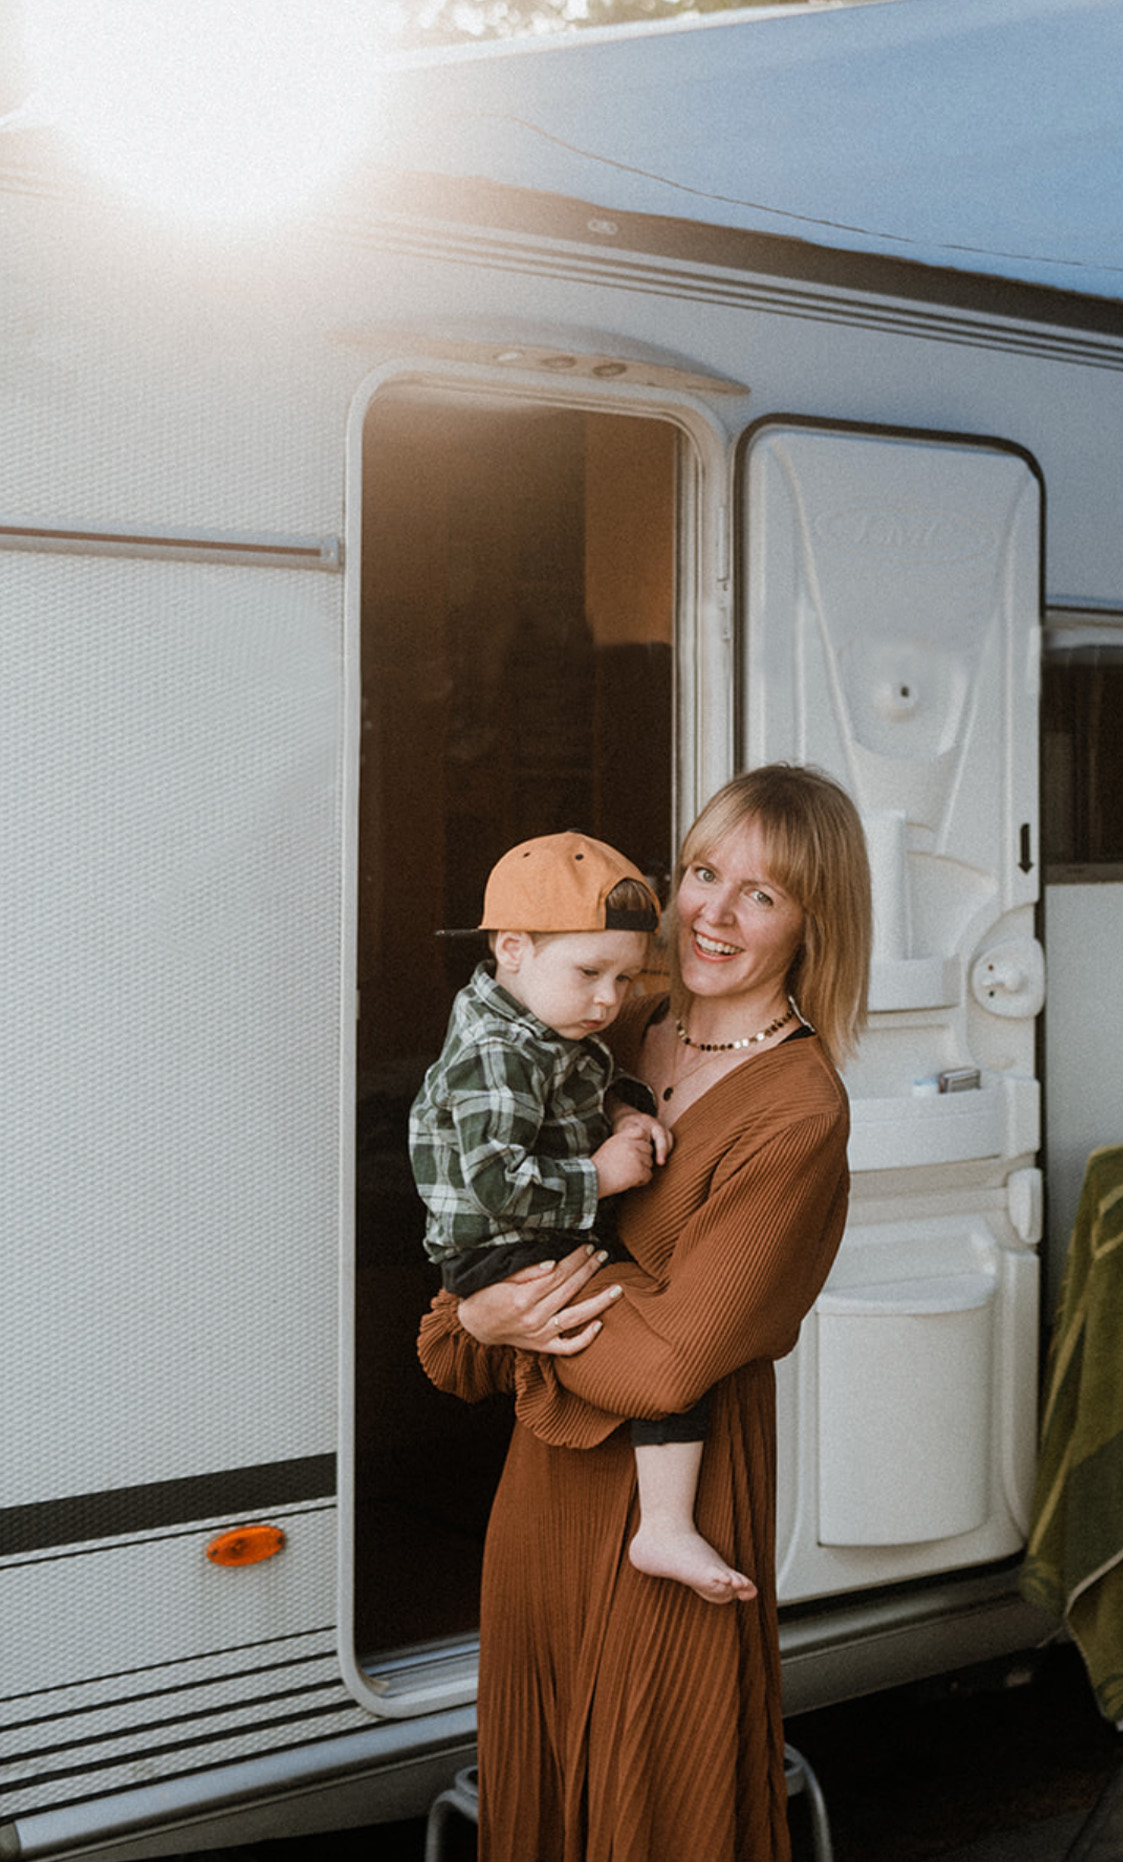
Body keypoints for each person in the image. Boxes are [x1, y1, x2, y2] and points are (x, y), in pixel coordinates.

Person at [417, 764, 872, 1862]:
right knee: (541, 1812)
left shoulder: (798, 1113)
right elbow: (447, 1332)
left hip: (675, 1512)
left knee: (652, 1814)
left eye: (759, 894)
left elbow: (670, 1370)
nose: (711, 911)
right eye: (703, 871)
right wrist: (479, 1323)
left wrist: (518, 1319)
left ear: (815, 923)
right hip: (543, 1503)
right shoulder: (598, 1026)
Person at [409, 828, 752, 1603]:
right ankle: (664, 1526)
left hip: (544, 1234)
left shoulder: (556, 1024)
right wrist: (598, 1177)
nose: (609, 999)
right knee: (664, 1352)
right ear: (514, 947)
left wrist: (630, 1114)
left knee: (652, 1330)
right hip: (502, 1244)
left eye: (627, 980)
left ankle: (653, 1515)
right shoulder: (497, 1050)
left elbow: (598, 1079)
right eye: (591, 972)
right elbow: (496, 1182)